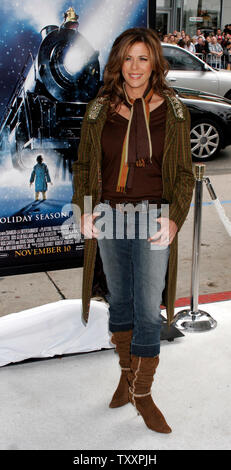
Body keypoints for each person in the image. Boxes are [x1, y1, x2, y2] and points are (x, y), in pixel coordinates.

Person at [72, 27, 195, 434]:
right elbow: (86, 167)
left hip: (153, 218)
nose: (135, 67)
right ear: (118, 63)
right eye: (128, 58)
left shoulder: (174, 111)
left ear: (155, 63)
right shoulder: (98, 110)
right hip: (108, 215)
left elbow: (183, 175)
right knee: (120, 302)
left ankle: (142, 393)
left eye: (143, 58)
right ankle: (126, 377)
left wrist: (175, 217)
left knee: (147, 308)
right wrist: (86, 210)